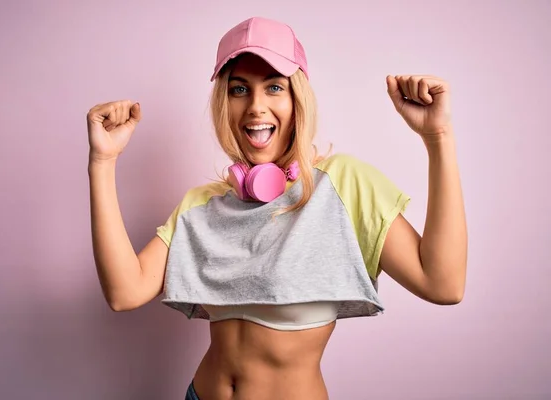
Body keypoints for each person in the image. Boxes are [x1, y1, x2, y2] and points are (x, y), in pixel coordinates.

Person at [86, 16, 467, 400]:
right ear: (224, 103)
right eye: (239, 89)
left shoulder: (342, 184)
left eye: (274, 87)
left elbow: (443, 284)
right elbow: (124, 292)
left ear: (297, 98)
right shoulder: (202, 205)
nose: (256, 106)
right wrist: (103, 162)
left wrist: (439, 137)